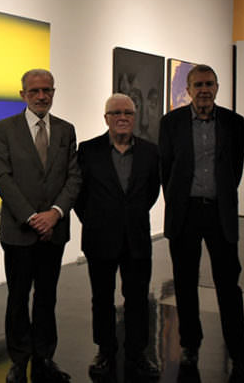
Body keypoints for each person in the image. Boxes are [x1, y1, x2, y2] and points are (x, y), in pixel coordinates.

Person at [158, 65, 244, 382]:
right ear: (187, 90)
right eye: (198, 84)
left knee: (229, 285)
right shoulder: (171, 123)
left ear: (217, 87)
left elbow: (235, 170)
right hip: (186, 213)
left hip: (219, 214)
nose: (204, 89)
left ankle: (239, 352)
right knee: (185, 284)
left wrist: (221, 197)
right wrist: (177, 202)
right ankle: (190, 345)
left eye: (209, 84)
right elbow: (166, 169)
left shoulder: (234, 122)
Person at [0, 69, 82, 383]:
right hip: (19, 231)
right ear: (23, 95)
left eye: (47, 90)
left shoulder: (66, 130)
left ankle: (44, 356)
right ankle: (18, 360)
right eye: (35, 91)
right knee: (17, 297)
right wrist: (32, 217)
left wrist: (55, 213)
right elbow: (2, 178)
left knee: (47, 296)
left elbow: (73, 177)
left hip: (54, 231)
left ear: (53, 92)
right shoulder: (5, 129)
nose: (42, 96)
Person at [74, 94, 160, 380]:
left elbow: (150, 193)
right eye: (115, 113)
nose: (122, 117)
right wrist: (99, 220)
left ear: (134, 118)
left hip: (136, 237)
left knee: (137, 299)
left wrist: (128, 217)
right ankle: (105, 351)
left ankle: (138, 354)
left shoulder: (150, 151)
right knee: (101, 298)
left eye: (127, 112)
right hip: (100, 237)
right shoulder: (88, 150)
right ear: (106, 118)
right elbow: (79, 195)